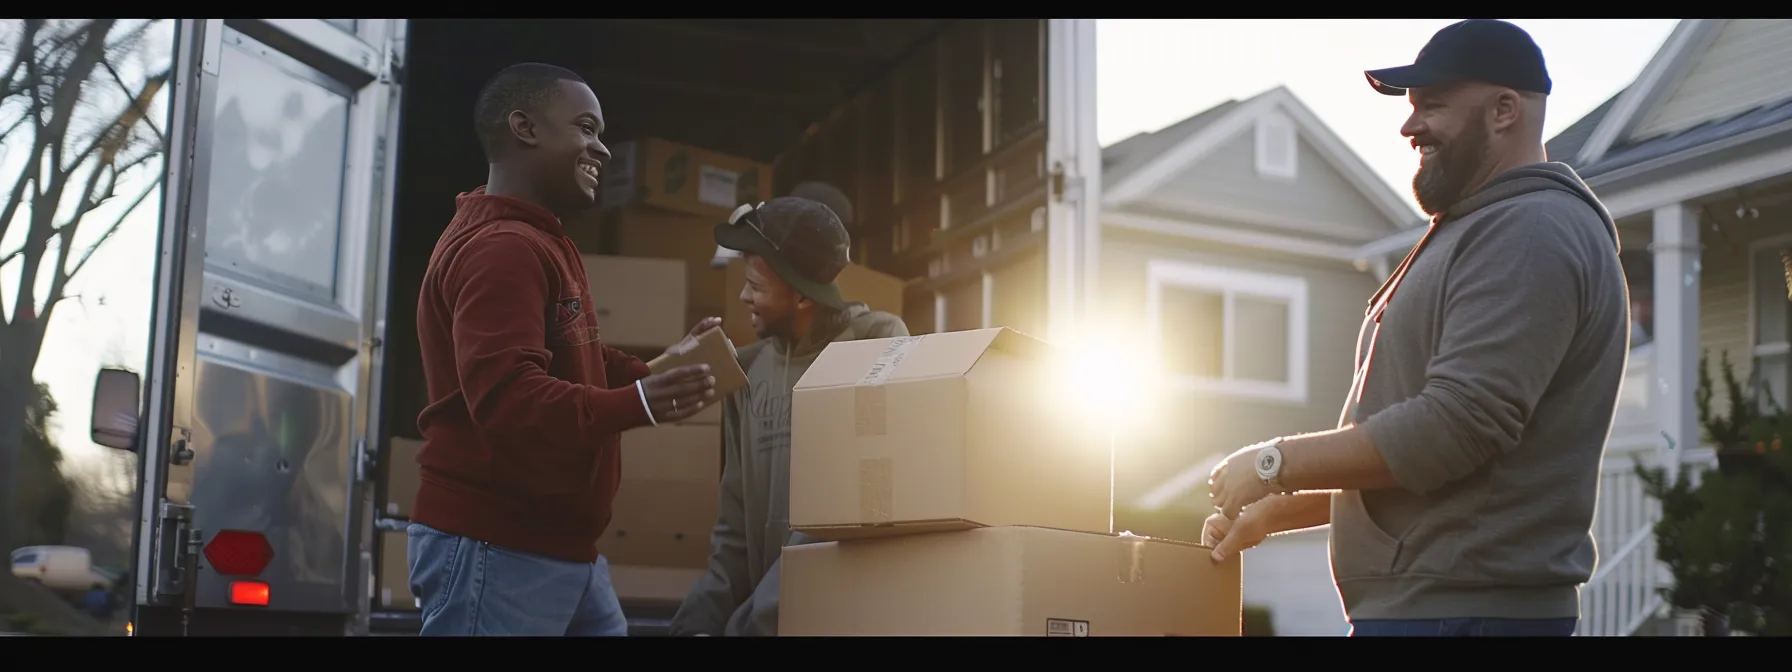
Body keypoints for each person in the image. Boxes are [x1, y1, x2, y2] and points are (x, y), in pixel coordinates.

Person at [1202, 19, 1630, 637]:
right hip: (1440, 611)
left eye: (1434, 105)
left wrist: (1275, 462)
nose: (1409, 126)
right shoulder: (1484, 227)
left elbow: (1456, 427)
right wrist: (1279, 509)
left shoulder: (1530, 230)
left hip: (1465, 617)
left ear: (1505, 110)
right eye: (1411, 107)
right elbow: (1433, 465)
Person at [406, 62, 719, 637]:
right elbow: (511, 401)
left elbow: (574, 356)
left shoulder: (539, 239)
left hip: (558, 547)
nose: (600, 148)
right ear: (524, 127)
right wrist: (640, 403)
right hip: (498, 548)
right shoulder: (503, 249)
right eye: (585, 127)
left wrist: (654, 370)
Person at [669, 196, 909, 636]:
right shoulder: (746, 370)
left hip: (845, 618)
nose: (743, 296)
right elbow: (734, 528)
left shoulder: (874, 344)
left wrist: (752, 623)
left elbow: (854, 502)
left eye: (756, 285)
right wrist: (697, 621)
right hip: (765, 623)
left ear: (800, 293)